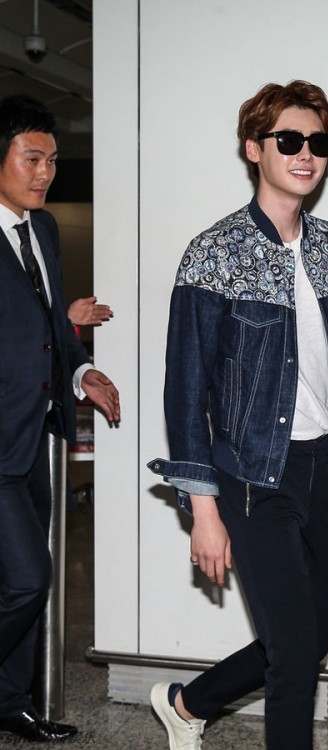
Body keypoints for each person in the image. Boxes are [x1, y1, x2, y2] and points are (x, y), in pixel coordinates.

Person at [148, 80, 328, 750]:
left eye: (318, 143)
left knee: (301, 642)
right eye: (289, 140)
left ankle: (187, 703)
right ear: (254, 148)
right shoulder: (215, 252)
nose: (306, 154)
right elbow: (185, 390)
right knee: (295, 656)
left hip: (318, 469)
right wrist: (203, 509)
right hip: (248, 477)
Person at [0, 94, 120, 742]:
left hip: (36, 438)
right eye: (32, 158)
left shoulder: (42, 230)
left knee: (24, 585)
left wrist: (81, 372)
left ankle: (11, 702)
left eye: (51, 159)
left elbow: (50, 330)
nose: (45, 172)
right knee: (28, 580)